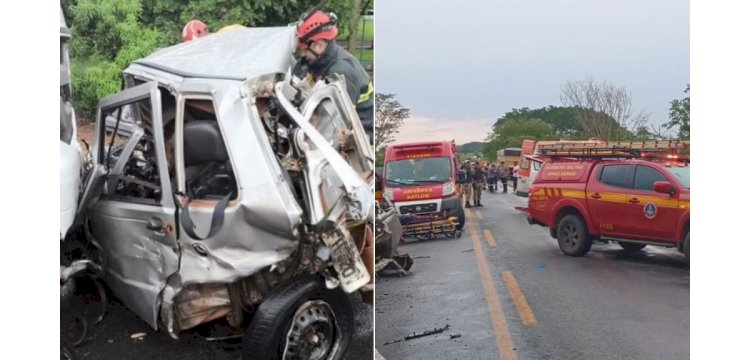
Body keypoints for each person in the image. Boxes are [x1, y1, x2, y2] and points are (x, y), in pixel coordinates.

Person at [293, 10, 374, 142]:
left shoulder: (341, 73)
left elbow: (332, 126)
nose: (302, 55)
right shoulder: (318, 61)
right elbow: (297, 74)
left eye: (303, 50)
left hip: (360, 140)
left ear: (318, 45)